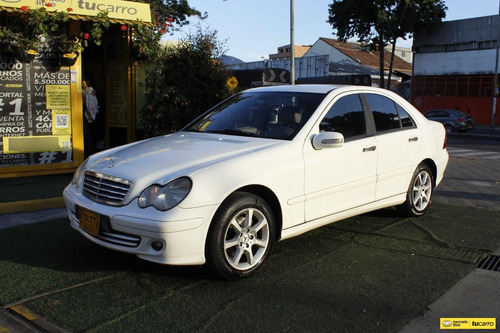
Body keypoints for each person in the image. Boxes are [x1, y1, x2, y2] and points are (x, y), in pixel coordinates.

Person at [82, 79, 99, 157]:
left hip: (88, 116)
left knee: (88, 134)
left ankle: (91, 151)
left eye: (84, 83)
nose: (82, 85)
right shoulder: (90, 92)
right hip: (90, 116)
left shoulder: (89, 92)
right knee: (88, 135)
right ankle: (90, 151)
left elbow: (90, 105)